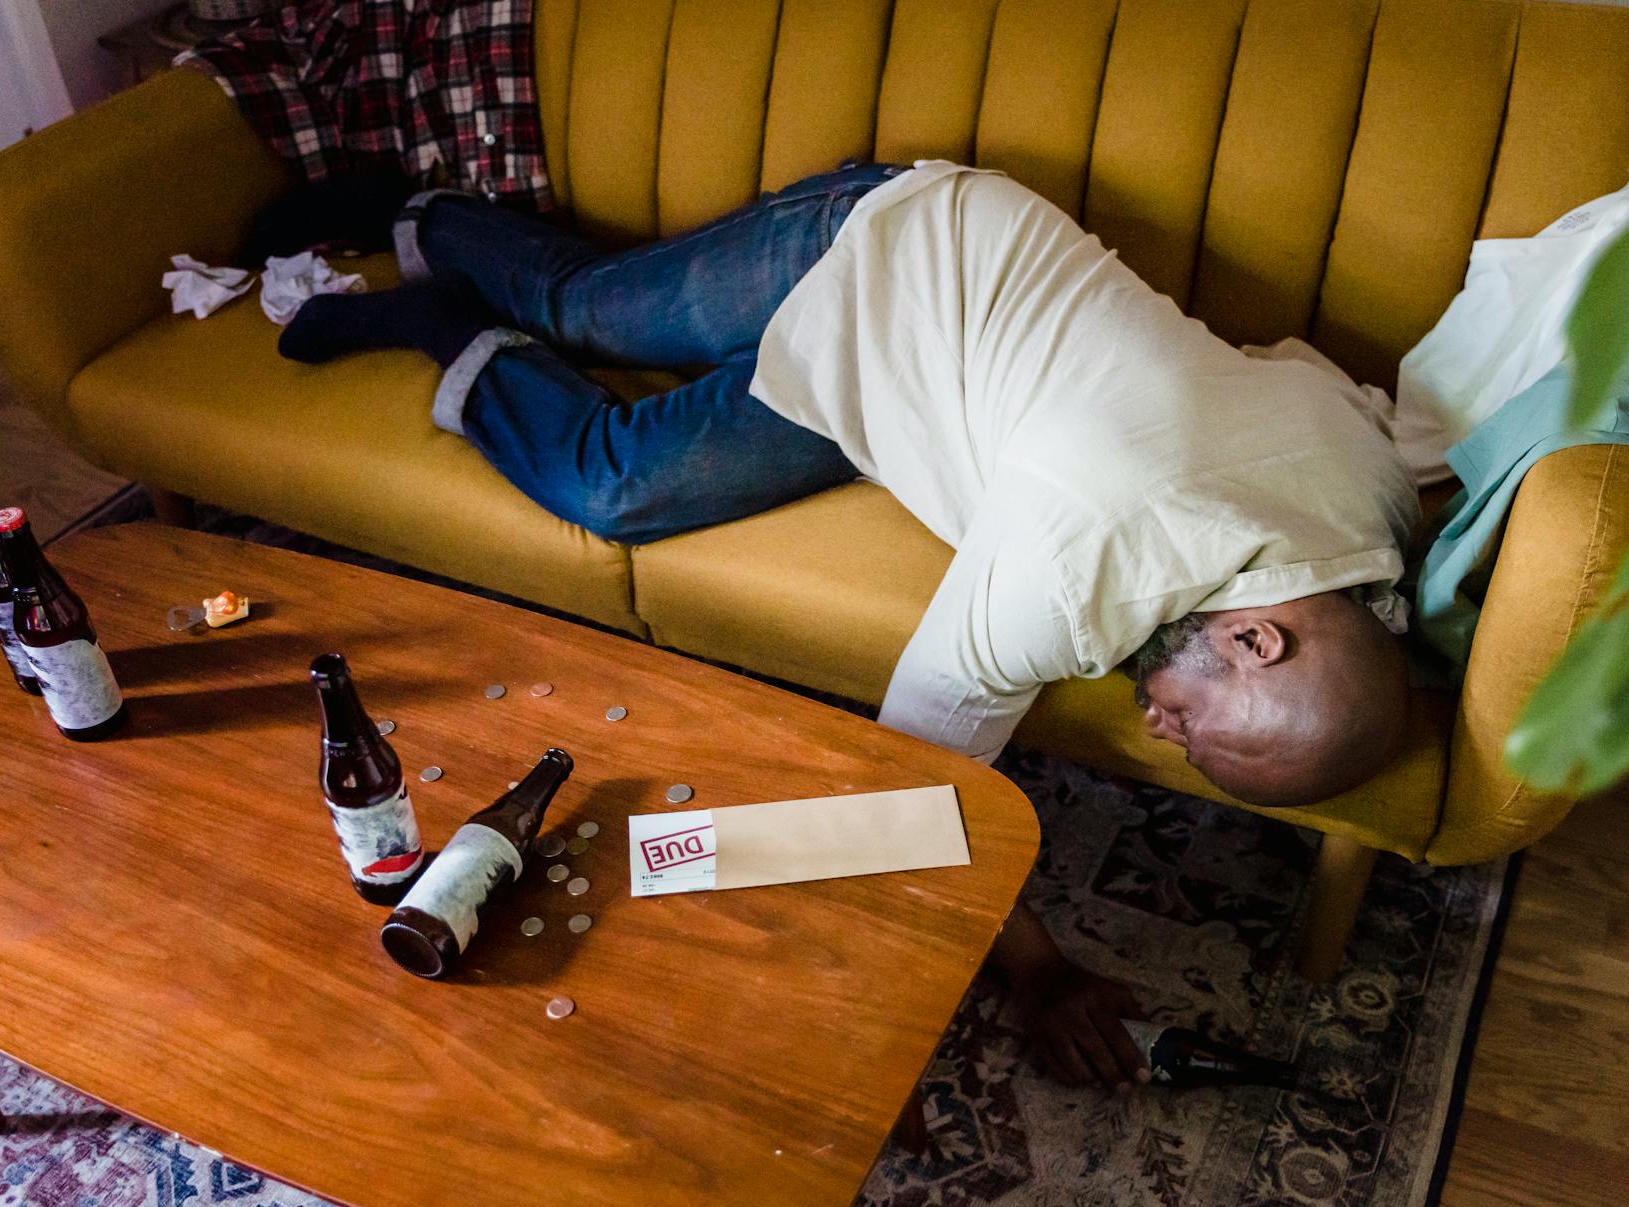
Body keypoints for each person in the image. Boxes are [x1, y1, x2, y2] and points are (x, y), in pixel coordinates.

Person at [281, 160, 1421, 1087]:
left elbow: (1305, 382)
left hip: (913, 385)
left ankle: (439, 315)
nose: (1169, 736)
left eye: (1188, 749)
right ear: (1256, 634)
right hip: (885, 248)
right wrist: (1035, 968)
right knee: (596, 377)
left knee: (621, 462)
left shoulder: (1367, 511)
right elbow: (911, 786)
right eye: (1200, 727)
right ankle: (416, 209)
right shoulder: (1081, 558)